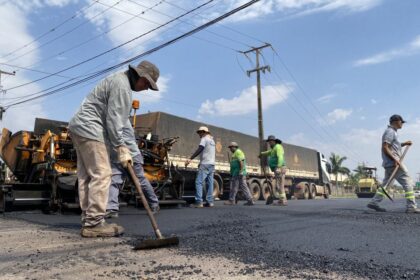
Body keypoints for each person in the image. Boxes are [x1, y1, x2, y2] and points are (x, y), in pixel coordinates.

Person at [69, 60, 160, 237]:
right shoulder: (122, 87)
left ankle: (89, 219)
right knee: (102, 173)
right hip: (90, 128)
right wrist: (120, 146)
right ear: (141, 77)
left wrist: (122, 147)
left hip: (79, 127)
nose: (146, 89)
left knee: (87, 176)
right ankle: (94, 223)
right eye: (147, 85)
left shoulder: (118, 81)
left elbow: (119, 121)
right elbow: (114, 121)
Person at [105, 120, 160, 219]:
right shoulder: (113, 118)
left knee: (140, 181)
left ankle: (154, 203)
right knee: (113, 181)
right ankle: (112, 209)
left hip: (131, 155)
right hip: (116, 156)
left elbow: (116, 136)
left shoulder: (120, 119)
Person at [367, 114, 420, 213]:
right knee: (408, 183)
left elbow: (395, 146)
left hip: (390, 163)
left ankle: (374, 202)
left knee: (386, 185)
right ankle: (411, 206)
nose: (402, 124)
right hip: (393, 163)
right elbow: (385, 147)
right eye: (401, 122)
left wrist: (404, 144)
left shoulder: (393, 132)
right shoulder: (390, 131)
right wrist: (395, 160)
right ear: (396, 121)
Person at [185, 126, 215, 208]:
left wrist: (190, 158)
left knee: (198, 182)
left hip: (205, 164)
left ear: (204, 132)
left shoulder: (204, 139)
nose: (199, 134)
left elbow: (200, 149)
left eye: (200, 132)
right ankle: (210, 202)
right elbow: (208, 153)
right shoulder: (212, 140)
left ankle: (199, 202)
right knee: (210, 183)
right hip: (211, 164)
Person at [260, 135, 288, 206]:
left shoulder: (278, 147)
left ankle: (282, 201)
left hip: (280, 167)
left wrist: (278, 167)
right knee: (279, 185)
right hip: (277, 168)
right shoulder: (273, 149)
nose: (269, 143)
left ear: (273, 141)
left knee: (279, 185)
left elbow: (280, 157)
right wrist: (262, 154)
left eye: (270, 142)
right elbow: (268, 152)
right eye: (268, 142)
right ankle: (282, 200)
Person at [224, 142, 254, 206]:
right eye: (230, 148)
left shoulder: (238, 152)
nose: (230, 149)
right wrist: (231, 173)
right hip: (236, 173)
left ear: (235, 147)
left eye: (231, 147)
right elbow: (233, 165)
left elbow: (241, 162)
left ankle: (232, 200)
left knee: (234, 187)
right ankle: (250, 200)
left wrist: (241, 171)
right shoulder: (234, 154)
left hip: (239, 173)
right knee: (241, 187)